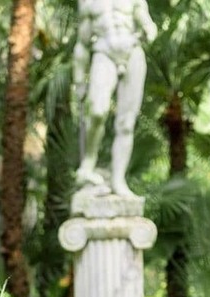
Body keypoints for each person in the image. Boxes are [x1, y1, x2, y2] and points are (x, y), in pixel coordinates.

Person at [73, 0, 157, 198]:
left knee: (126, 124)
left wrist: (150, 32)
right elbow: (82, 43)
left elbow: (148, 24)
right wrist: (79, 80)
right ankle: (88, 163)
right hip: (104, 52)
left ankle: (118, 180)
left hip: (132, 52)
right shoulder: (88, 2)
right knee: (97, 111)